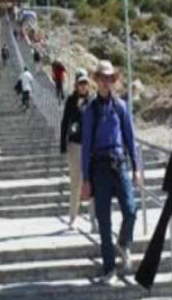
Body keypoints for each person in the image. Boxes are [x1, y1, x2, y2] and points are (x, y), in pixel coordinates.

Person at [80, 60, 140, 284]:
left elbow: (130, 138)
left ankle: (123, 242)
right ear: (96, 80)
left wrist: (136, 167)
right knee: (104, 221)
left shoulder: (121, 106)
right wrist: (85, 179)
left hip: (120, 163)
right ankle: (109, 269)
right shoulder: (90, 111)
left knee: (131, 210)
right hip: (99, 169)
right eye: (102, 78)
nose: (106, 82)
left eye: (110, 78)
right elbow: (85, 147)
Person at [60, 68, 91, 229]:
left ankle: (94, 219)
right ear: (76, 84)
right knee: (76, 183)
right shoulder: (71, 101)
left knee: (92, 181)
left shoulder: (92, 101)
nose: (83, 86)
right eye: (80, 83)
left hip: (90, 146)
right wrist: (62, 146)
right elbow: (64, 122)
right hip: (74, 145)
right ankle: (73, 217)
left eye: (85, 83)